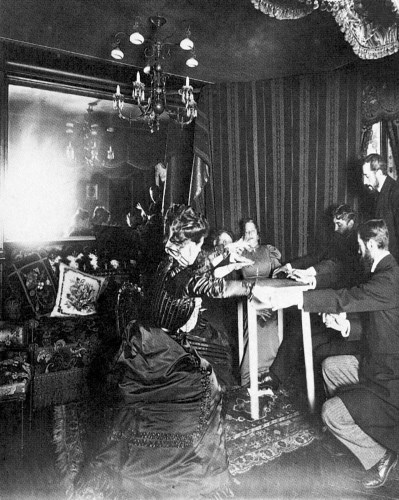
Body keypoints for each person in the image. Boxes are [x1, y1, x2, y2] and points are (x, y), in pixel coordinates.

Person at [73, 205, 254, 499]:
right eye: (198, 244)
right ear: (185, 244)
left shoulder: (169, 260)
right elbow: (216, 287)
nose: (200, 250)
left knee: (181, 394)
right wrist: (253, 288)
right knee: (206, 385)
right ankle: (186, 472)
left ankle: (164, 460)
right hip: (158, 350)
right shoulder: (181, 276)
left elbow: (202, 263)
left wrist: (228, 252)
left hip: (151, 341)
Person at [255, 219, 399, 489]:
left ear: (370, 245)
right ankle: (358, 430)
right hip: (378, 367)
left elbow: (345, 297)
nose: (357, 251)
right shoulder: (385, 273)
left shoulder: (389, 278)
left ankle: (381, 455)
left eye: (359, 246)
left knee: (331, 413)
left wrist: (297, 299)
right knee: (331, 366)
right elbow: (379, 325)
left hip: (393, 385)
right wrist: (345, 326)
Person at [263, 205, 366, 391]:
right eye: (333, 223)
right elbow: (317, 256)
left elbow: (334, 266)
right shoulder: (336, 239)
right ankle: (275, 378)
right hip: (329, 300)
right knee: (297, 328)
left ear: (351, 223)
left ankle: (304, 390)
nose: (335, 228)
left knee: (308, 336)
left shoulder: (357, 245)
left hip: (346, 310)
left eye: (339, 224)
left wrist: (310, 274)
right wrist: (289, 266)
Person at [362, 154, 399, 294]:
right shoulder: (377, 195)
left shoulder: (398, 193)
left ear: (379, 173)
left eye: (367, 176)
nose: (364, 181)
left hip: (398, 267)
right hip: (385, 267)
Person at [237, 217, 283, 386]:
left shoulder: (268, 251)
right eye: (246, 231)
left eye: (252, 231)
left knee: (271, 325)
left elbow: (278, 273)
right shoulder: (239, 253)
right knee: (254, 325)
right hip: (248, 298)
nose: (249, 234)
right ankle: (250, 376)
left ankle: (268, 373)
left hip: (270, 297)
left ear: (258, 234)